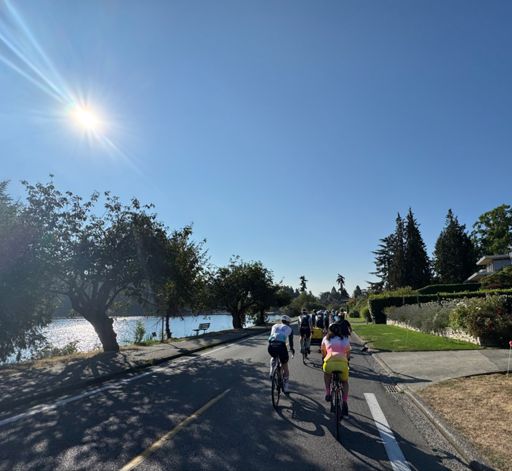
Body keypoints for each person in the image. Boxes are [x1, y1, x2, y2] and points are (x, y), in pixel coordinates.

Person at [321, 321, 351, 416]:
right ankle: (345, 401)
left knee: (327, 375)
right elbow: (348, 353)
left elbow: (323, 351)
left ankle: (328, 392)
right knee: (345, 382)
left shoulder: (326, 338)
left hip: (329, 362)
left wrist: (324, 358)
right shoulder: (345, 339)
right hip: (342, 363)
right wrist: (347, 359)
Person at [268, 315, 295, 393]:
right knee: (285, 365)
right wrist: (292, 349)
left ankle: (272, 370)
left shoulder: (274, 326)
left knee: (274, 356)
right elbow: (291, 342)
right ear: (288, 323)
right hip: (281, 346)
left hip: (271, 345)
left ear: (282, 321)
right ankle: (286, 387)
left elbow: (271, 337)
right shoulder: (289, 329)